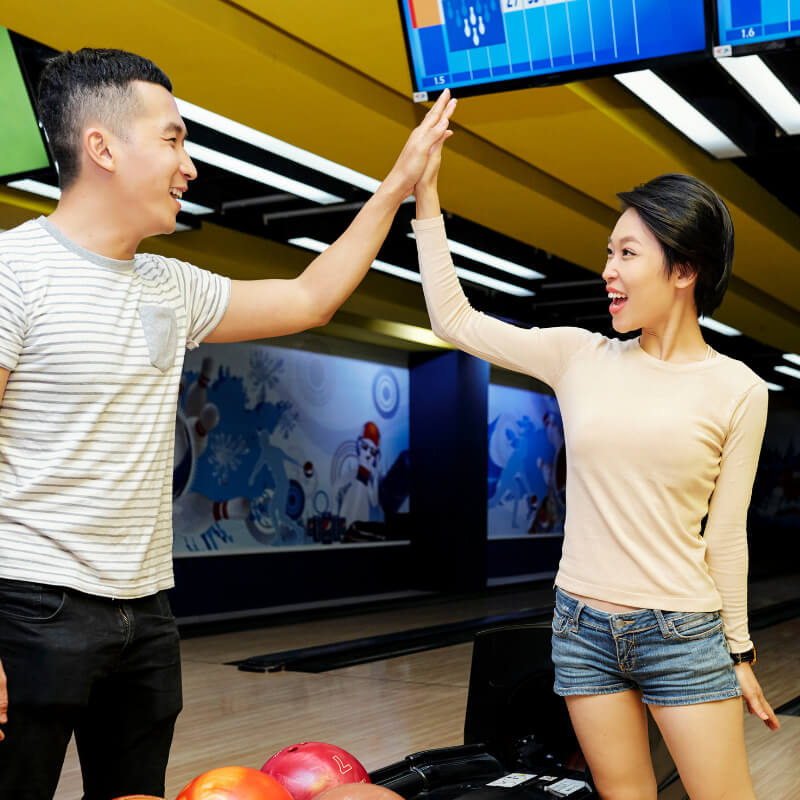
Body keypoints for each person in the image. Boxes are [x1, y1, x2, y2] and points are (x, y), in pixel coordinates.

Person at [0, 47, 455, 799]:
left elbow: (311, 298)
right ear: (102, 148)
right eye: (174, 139)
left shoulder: (169, 285)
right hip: (27, 606)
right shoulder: (13, 270)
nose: (191, 165)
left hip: (145, 615)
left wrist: (399, 186)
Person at [411, 136, 780, 798]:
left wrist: (740, 651)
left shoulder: (740, 391)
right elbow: (454, 321)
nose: (607, 269)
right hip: (581, 628)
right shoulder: (579, 356)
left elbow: (725, 535)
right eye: (609, 252)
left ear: (684, 270)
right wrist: (426, 195)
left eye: (627, 254)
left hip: (681, 632)